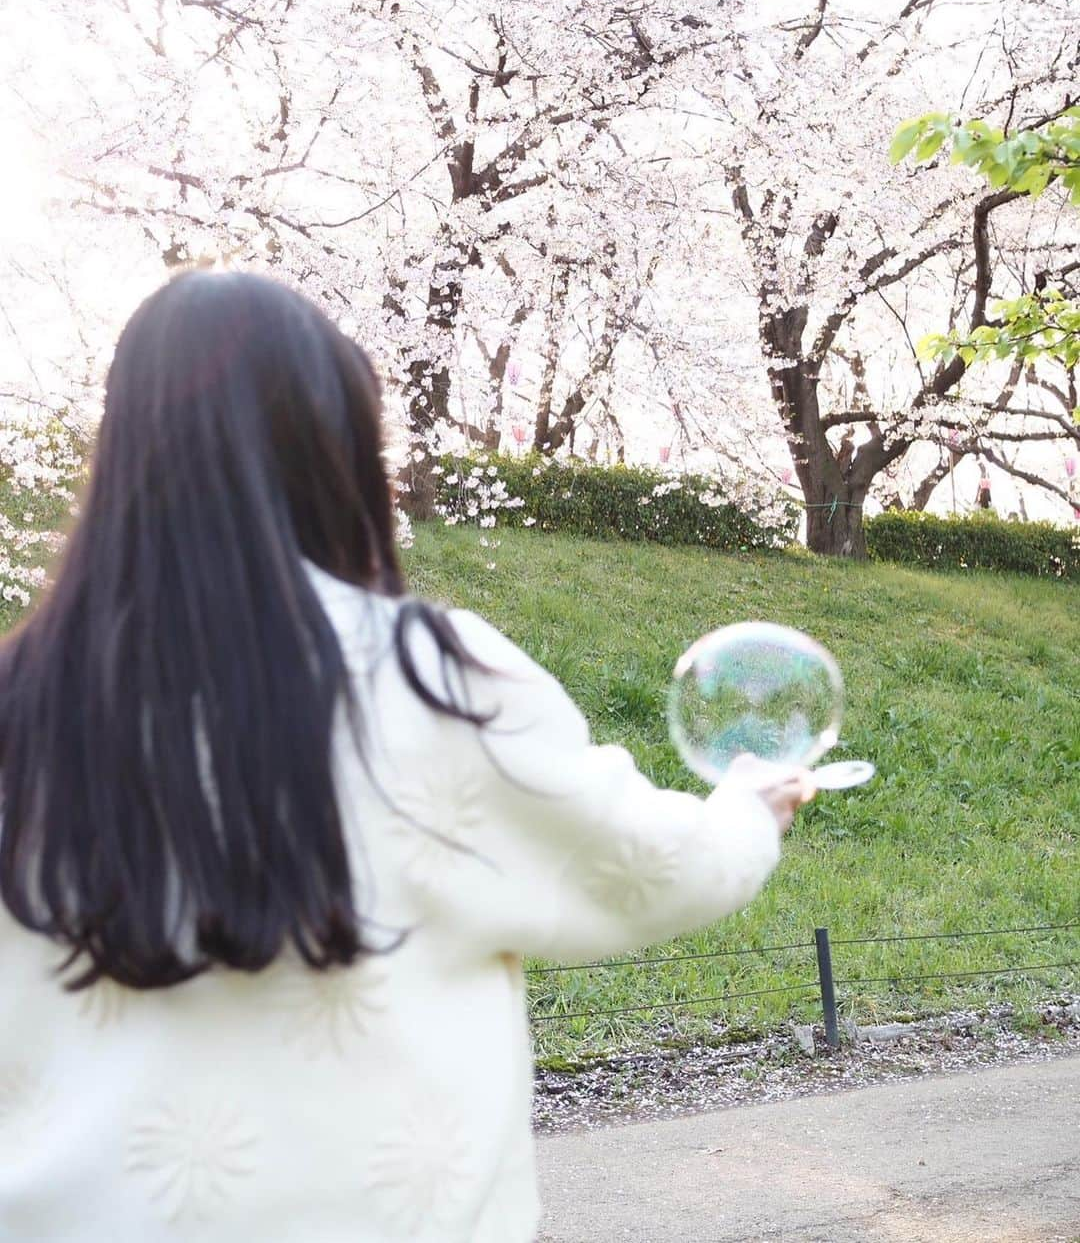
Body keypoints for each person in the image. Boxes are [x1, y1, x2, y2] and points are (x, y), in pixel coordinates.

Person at [0, 272, 813, 1243]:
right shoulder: (428, 675)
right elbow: (636, 863)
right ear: (332, 452)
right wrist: (745, 813)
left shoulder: (20, 700)